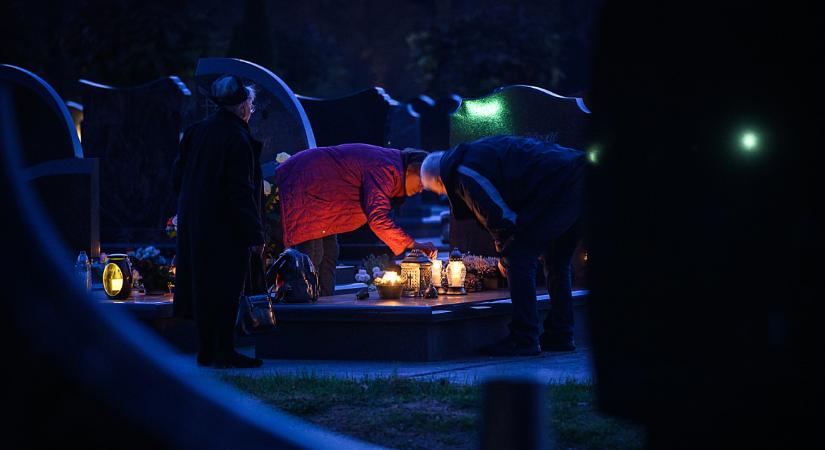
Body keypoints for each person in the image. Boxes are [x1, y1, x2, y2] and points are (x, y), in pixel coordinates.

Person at [420, 135, 586, 356]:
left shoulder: (463, 172)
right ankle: (561, 334)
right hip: (578, 176)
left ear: (440, 180)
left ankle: (524, 337)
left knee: (519, 257)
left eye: (438, 192)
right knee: (557, 261)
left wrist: (504, 254)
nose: (444, 196)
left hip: (559, 187)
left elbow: (498, 215)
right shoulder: (473, 155)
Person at [172, 75, 264, 368]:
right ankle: (223, 351)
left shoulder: (197, 131)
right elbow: (241, 190)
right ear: (241, 107)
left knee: (202, 284)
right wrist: (254, 234)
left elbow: (178, 176)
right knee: (225, 287)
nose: (250, 109)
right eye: (250, 104)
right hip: (226, 225)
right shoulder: (237, 137)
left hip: (195, 220)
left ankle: (206, 350)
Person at [274, 144, 437, 296]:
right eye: (422, 181)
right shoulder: (386, 168)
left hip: (325, 196)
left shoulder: (391, 168)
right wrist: (414, 245)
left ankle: (324, 307)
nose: (421, 189)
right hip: (308, 182)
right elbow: (377, 218)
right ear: (411, 169)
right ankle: (304, 311)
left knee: (329, 253)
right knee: (311, 254)